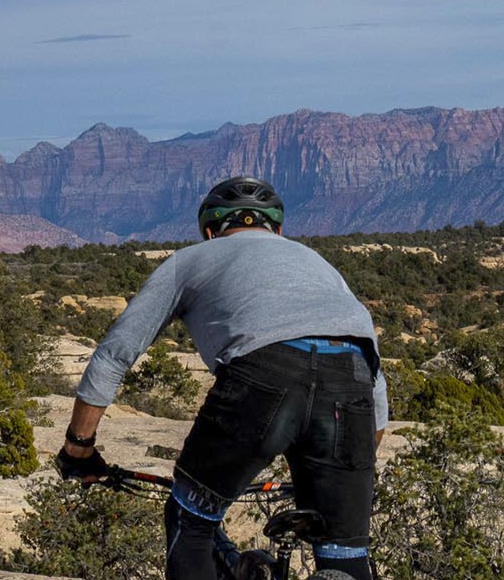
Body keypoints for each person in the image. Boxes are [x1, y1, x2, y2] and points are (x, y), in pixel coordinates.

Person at [55, 177, 387, 580]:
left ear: (211, 233)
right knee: (343, 550)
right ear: (277, 230)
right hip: (352, 380)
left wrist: (79, 447)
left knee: (190, 520)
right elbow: (375, 384)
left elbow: (115, 353)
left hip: (263, 374)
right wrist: (341, 471)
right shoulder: (320, 265)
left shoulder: (190, 259)